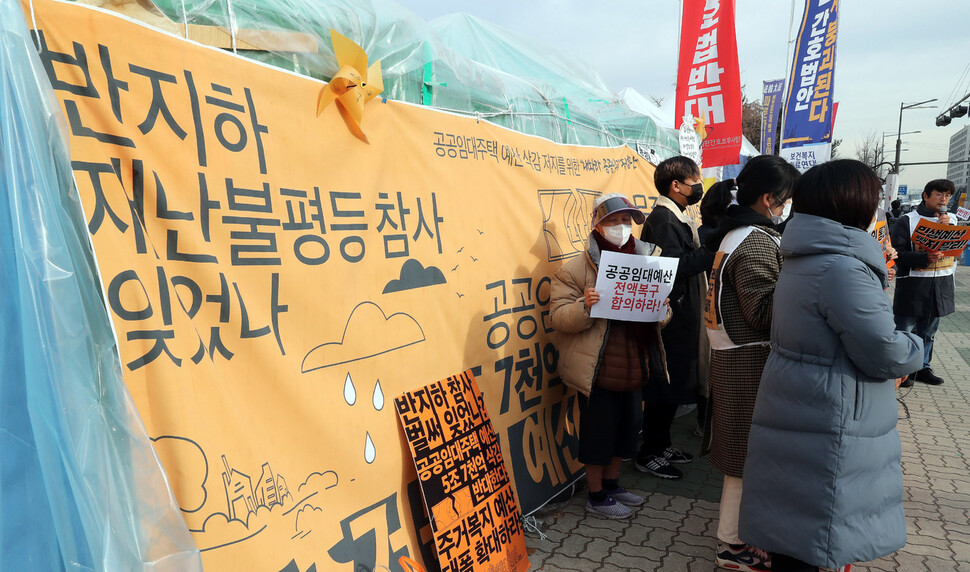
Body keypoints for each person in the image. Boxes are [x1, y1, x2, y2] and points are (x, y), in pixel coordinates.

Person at [739, 160, 923, 572]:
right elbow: (884, 350)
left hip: (801, 405)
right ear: (853, 205)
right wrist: (916, 348)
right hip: (830, 416)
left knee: (796, 530)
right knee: (814, 534)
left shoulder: (805, 257)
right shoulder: (842, 268)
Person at [702, 155, 799, 572]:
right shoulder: (758, 240)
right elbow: (761, 311)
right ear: (768, 198)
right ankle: (732, 547)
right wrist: (801, 283)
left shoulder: (736, 234)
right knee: (745, 459)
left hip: (733, 356)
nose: (787, 207)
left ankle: (736, 541)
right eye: (786, 199)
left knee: (741, 456)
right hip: (747, 360)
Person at [550, 193, 670, 519]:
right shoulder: (576, 267)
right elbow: (558, 317)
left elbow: (662, 313)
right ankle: (596, 494)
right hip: (597, 367)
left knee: (627, 429)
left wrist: (661, 309)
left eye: (625, 220)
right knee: (598, 433)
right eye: (612, 220)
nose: (620, 227)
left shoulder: (645, 260)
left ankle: (613, 484)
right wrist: (584, 306)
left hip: (635, 362)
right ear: (596, 224)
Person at [636, 156, 714, 479]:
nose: (698, 188)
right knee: (664, 386)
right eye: (694, 182)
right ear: (676, 186)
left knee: (675, 382)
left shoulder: (676, 216)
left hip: (680, 312)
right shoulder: (665, 220)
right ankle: (649, 452)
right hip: (669, 316)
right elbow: (673, 267)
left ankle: (663, 442)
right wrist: (710, 252)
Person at [891, 179, 956, 386]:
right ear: (926, 196)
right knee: (905, 328)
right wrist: (924, 258)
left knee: (929, 330)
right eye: (939, 194)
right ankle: (902, 371)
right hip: (913, 282)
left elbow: (957, 249)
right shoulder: (907, 221)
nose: (943, 199)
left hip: (941, 281)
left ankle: (922, 367)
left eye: (947, 196)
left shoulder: (952, 219)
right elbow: (897, 253)